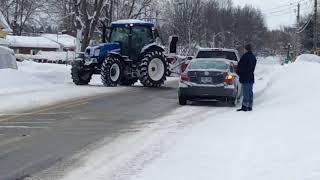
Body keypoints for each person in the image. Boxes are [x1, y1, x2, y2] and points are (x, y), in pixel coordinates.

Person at [237, 44, 257, 112]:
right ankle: (250, 105)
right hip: (251, 76)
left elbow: (240, 66)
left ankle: (245, 106)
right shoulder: (253, 57)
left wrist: (239, 73)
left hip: (245, 77)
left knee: (245, 92)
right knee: (250, 91)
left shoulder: (245, 57)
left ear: (246, 49)